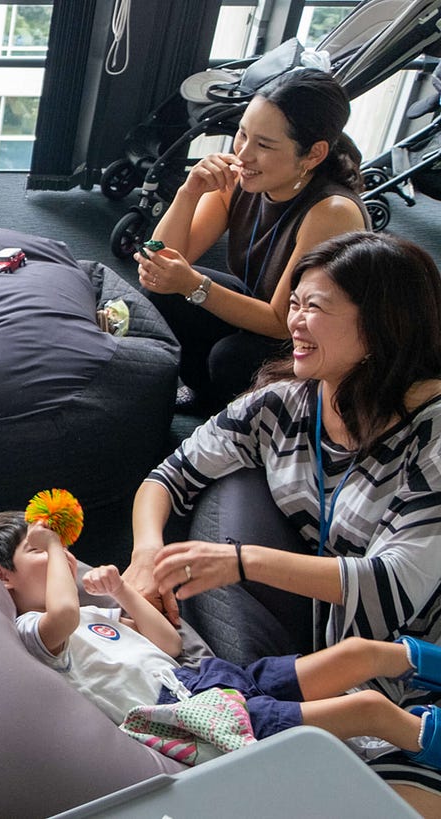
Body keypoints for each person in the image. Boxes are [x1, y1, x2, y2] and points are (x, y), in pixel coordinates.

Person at [125, 232, 441, 809]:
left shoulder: (433, 437)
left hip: (423, 670)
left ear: (382, 324)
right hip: (339, 662)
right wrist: (146, 554)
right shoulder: (287, 403)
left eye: (313, 307)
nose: (293, 320)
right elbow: (167, 478)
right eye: (293, 303)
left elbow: (394, 587)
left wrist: (241, 562)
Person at [0, 511, 441, 766]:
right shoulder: (31, 630)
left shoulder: (94, 614)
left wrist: (122, 593)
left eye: (60, 549)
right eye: (37, 551)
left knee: (358, 654)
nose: (63, 558)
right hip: (195, 716)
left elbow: (169, 644)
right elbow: (63, 612)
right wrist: (55, 543)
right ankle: (424, 742)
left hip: (204, 679)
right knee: (367, 709)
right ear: (3, 576)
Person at [137, 68, 366, 412]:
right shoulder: (240, 179)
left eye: (264, 145)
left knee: (231, 358)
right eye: (242, 134)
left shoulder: (332, 213)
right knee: (165, 291)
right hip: (266, 311)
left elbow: (281, 323)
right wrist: (189, 192)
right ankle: (208, 398)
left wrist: (193, 285)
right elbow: (162, 263)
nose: (243, 155)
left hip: (313, 340)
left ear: (313, 154)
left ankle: (249, 419)